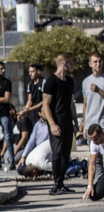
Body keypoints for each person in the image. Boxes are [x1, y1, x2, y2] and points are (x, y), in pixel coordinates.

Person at [42, 54, 79, 195]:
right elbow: (46, 104)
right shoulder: (51, 81)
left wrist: (75, 122)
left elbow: (71, 103)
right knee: (56, 154)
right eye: (70, 63)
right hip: (56, 123)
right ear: (64, 64)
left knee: (65, 154)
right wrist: (52, 124)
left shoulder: (69, 81)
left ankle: (62, 184)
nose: (72, 66)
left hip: (67, 122)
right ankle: (56, 185)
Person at [80, 53, 104, 144]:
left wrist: (98, 90)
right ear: (90, 64)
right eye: (95, 62)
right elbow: (85, 105)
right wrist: (84, 124)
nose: (98, 64)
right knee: (93, 154)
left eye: (100, 61)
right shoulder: (85, 82)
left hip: (102, 124)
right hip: (90, 125)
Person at [17, 64, 45, 140]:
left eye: (32, 71)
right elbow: (30, 101)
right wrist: (24, 111)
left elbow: (44, 101)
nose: (30, 74)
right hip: (32, 113)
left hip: (42, 112)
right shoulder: (30, 84)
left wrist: (30, 109)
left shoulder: (44, 82)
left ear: (38, 72)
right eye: (29, 72)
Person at [83, 124, 104, 201]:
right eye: (91, 139)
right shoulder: (93, 143)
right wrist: (90, 186)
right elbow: (92, 165)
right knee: (93, 195)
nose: (93, 142)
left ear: (102, 134)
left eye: (95, 139)